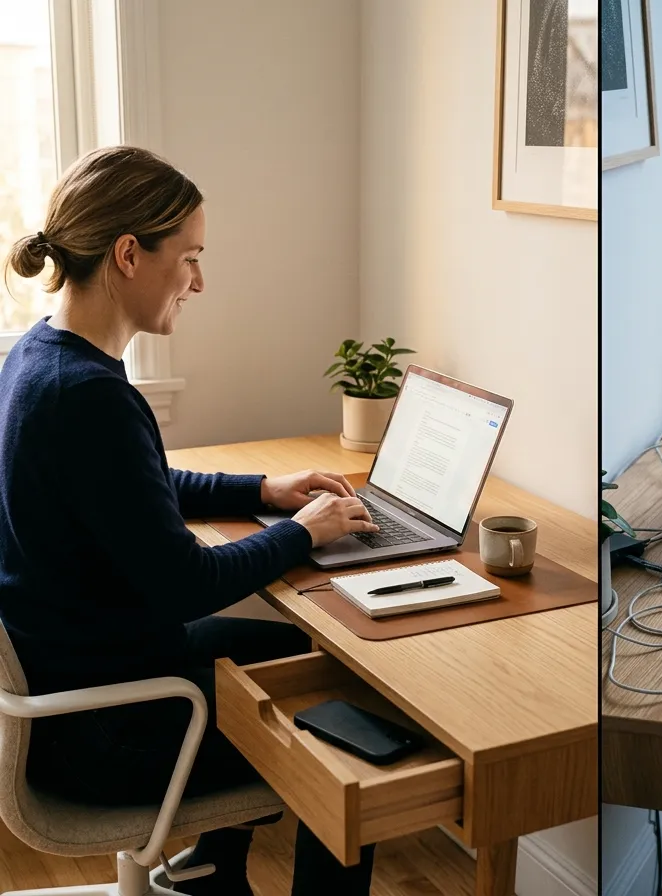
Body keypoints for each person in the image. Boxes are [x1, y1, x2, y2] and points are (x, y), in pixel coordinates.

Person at [0, 145, 384, 896]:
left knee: (304, 658)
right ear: (128, 255)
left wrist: (264, 489)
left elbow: (135, 489)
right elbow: (185, 584)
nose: (199, 282)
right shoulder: (90, 396)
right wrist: (305, 531)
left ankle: (210, 874)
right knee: (354, 746)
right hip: (109, 729)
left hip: (76, 684)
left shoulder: (38, 358)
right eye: (191, 258)